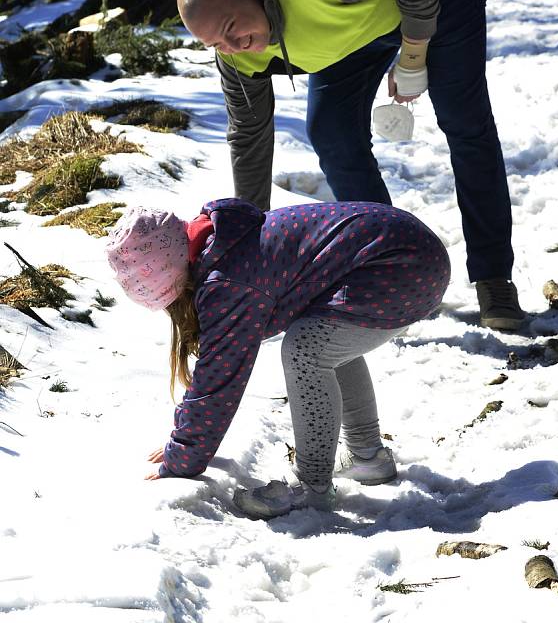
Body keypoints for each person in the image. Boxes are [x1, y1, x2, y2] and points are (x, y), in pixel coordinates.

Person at [176, 0, 524, 331]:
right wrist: (248, 249)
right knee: (332, 133)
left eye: (230, 29)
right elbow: (249, 137)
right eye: (215, 44)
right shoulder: (235, 51)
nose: (232, 47)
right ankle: (394, 267)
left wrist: (414, 54)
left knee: (463, 120)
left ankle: (494, 277)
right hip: (358, 18)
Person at [105, 198, 450, 519]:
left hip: (401, 265)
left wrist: (183, 456)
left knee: (306, 351)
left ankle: (311, 484)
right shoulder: (224, 240)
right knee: (325, 337)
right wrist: (184, 441)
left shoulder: (228, 281)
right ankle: (367, 456)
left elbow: (219, 380)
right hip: (410, 252)